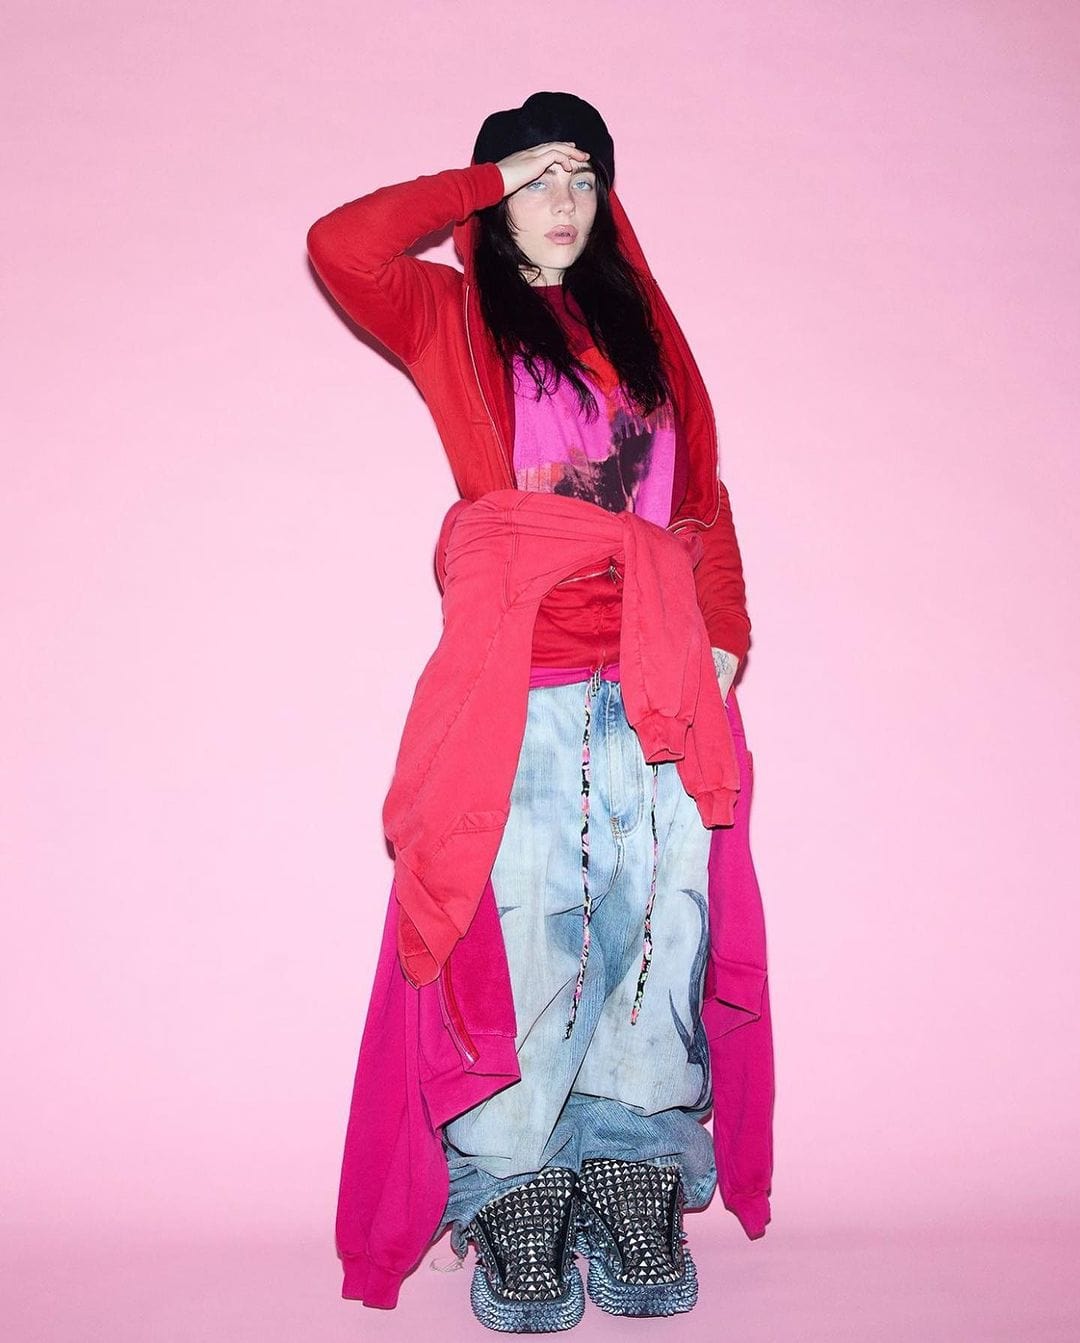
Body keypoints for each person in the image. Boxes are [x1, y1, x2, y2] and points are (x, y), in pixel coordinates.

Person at [307, 91, 772, 1333]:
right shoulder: (449, 316)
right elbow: (340, 244)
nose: (560, 201)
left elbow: (703, 493)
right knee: (525, 925)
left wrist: (725, 627)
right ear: (497, 194)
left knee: (661, 923)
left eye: (582, 178)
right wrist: (483, 178)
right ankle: (516, 1181)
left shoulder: (645, 330)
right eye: (536, 177)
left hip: (663, 676)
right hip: (526, 677)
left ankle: (631, 1163)